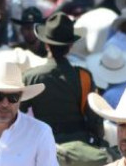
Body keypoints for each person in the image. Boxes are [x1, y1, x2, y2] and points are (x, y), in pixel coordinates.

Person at [21, 12, 103, 145]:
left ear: (46, 44)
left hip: (44, 145)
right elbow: (95, 119)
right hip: (79, 145)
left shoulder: (30, 77)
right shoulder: (84, 76)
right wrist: (98, 142)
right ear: (70, 46)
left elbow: (18, 114)